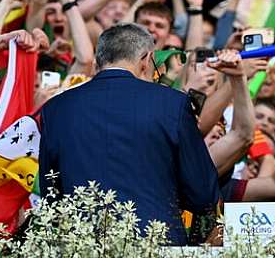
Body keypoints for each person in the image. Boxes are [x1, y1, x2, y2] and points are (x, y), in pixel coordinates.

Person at [39, 23, 219, 245]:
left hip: (82, 245)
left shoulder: (56, 108)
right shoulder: (173, 103)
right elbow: (202, 194)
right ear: (146, 59)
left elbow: (51, 194)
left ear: (99, 61)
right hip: (154, 242)